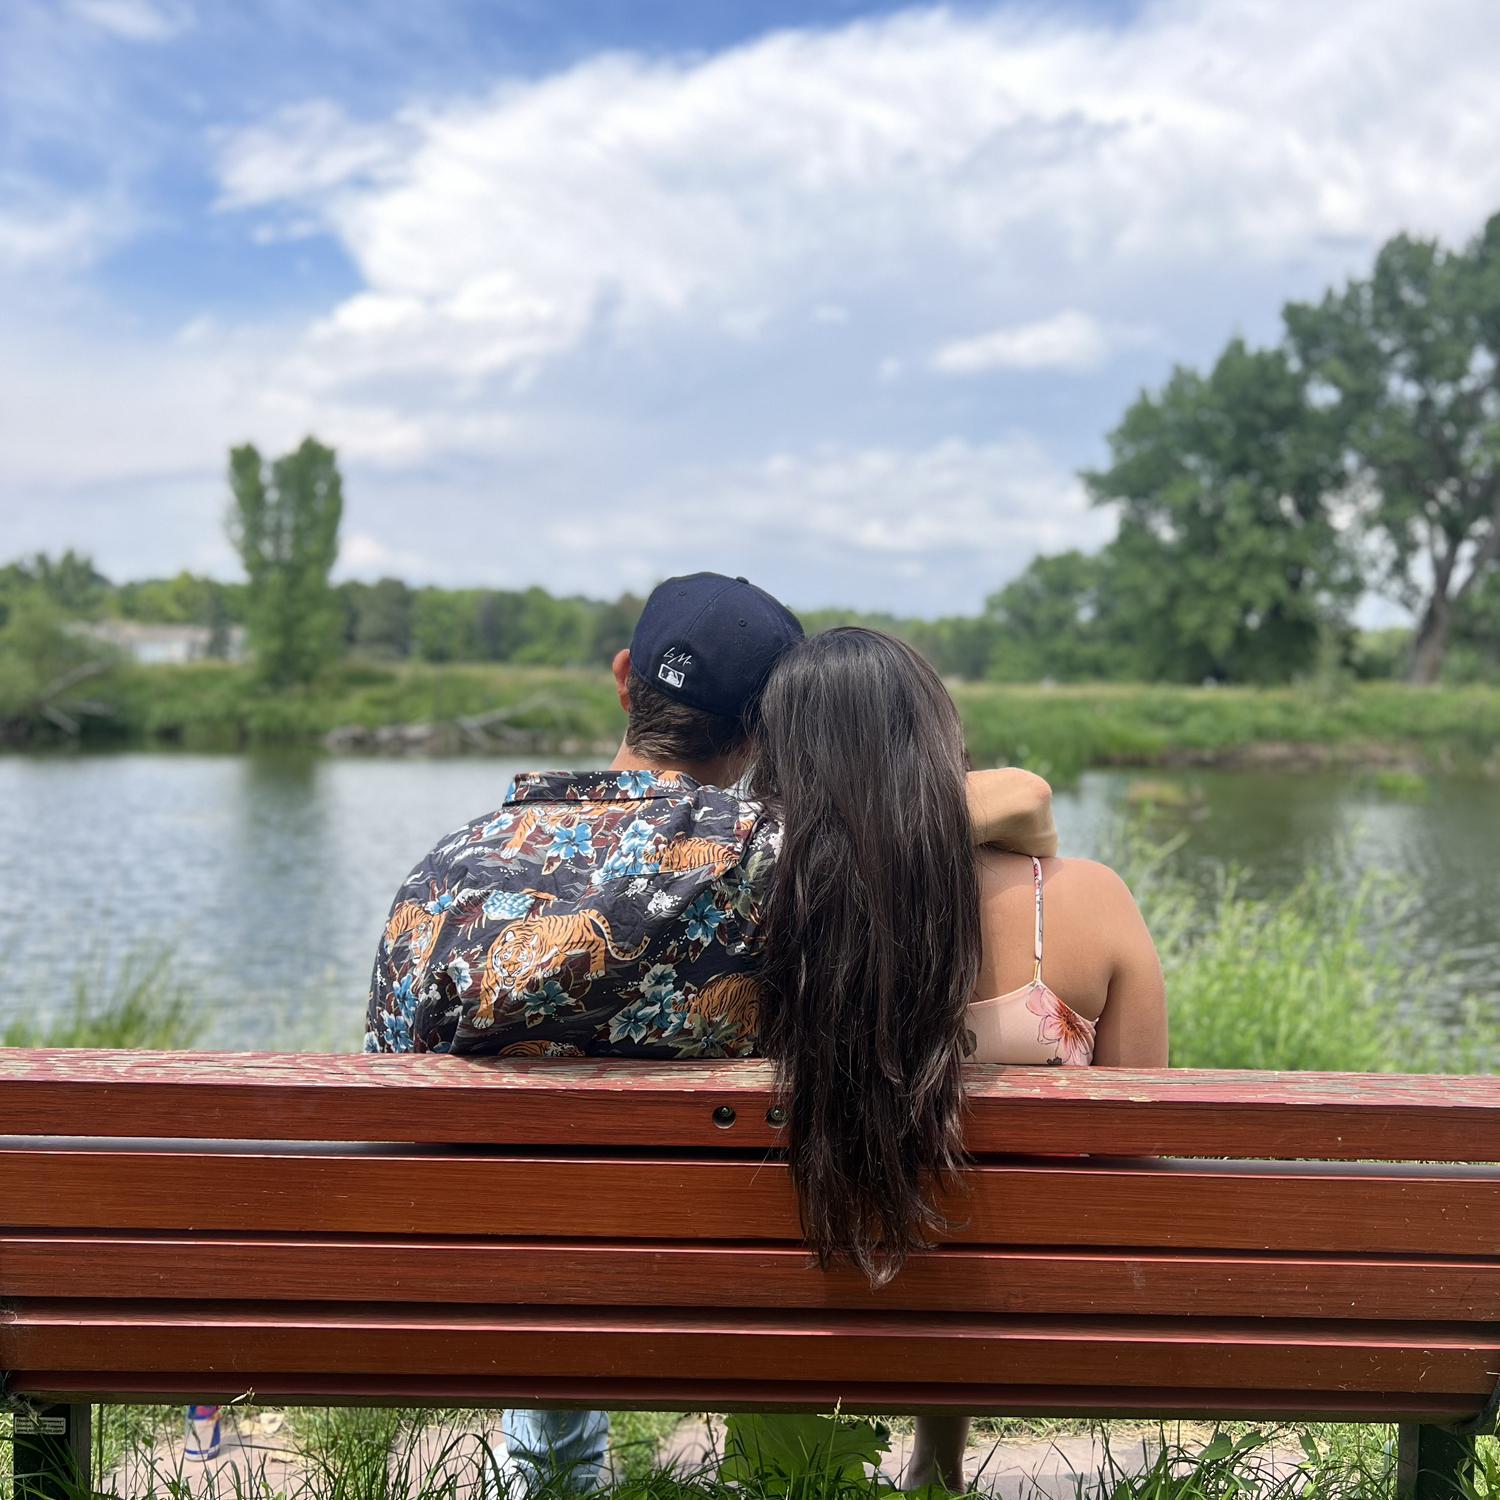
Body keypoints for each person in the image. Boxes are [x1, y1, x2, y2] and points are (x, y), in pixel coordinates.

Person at [365, 575, 1061, 1494]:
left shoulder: (448, 870)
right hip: (720, 1285)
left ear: (625, 679)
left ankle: (552, 1471)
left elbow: (388, 1080)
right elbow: (1017, 796)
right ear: (766, 730)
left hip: (464, 1287)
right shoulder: (782, 855)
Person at [746, 627, 1167, 1492]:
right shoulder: (1087, 899)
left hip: (804, 1286)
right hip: (1035, 1300)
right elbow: (1139, 1141)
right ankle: (937, 1463)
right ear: (935, 739)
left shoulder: (750, 902)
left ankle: (786, 1467)